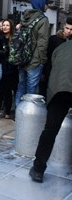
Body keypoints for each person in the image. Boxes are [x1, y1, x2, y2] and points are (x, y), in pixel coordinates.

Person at [29, 40, 72, 183]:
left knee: (50, 131)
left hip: (59, 92)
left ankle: (38, 170)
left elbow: (50, 70)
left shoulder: (61, 48)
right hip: (63, 89)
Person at [15, 0, 51, 107]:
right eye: (46, 4)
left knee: (21, 87)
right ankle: (27, 118)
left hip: (22, 59)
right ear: (41, 4)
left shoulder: (25, 17)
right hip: (34, 61)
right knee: (31, 91)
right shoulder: (43, 20)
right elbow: (43, 43)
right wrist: (43, 60)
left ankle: (18, 114)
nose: (48, 6)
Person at [38, 17, 72, 97]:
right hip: (49, 72)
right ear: (64, 26)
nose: (69, 31)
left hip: (64, 77)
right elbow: (45, 56)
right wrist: (43, 72)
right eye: (67, 28)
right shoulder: (53, 39)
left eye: (71, 29)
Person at [0, 19, 18, 119]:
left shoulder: (14, 38)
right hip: (1, 67)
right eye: (3, 25)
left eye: (7, 25)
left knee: (9, 91)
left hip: (12, 68)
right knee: (1, 90)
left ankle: (7, 111)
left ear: (11, 27)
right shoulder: (0, 38)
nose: (5, 27)